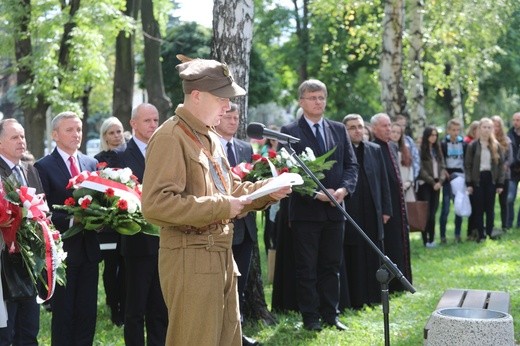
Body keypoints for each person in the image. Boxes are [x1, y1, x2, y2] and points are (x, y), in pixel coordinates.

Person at [141, 57, 290, 345]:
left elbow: (229, 188)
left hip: (220, 255)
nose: (227, 106)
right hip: (189, 257)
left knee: (228, 339)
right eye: (222, 98)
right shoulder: (171, 137)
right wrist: (220, 207)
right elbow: (156, 204)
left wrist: (267, 190)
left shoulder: (208, 136)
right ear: (197, 96)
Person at [280, 79, 358, 331]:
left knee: (331, 265)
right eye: (312, 97)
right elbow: (288, 171)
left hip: (336, 210)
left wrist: (344, 190)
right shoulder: (289, 131)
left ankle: (331, 314)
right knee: (307, 268)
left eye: (321, 97)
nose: (318, 102)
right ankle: (310, 317)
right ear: (301, 102)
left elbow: (351, 165)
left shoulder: (338, 129)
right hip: (306, 212)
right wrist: (315, 194)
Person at [34, 111, 100, 346]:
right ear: (55, 135)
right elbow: (43, 210)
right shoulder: (43, 166)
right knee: (64, 314)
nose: (76, 134)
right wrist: (74, 220)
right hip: (62, 254)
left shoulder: (91, 163)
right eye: (70, 130)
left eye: (79, 129)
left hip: (89, 250)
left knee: (87, 313)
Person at [115, 103, 167, 346]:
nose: (153, 125)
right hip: (136, 242)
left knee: (160, 307)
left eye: (156, 120)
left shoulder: (166, 150)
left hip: (165, 241)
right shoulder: (121, 155)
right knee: (135, 308)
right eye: (147, 121)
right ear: (133, 124)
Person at [215, 102, 259, 346]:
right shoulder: (209, 147)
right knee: (221, 284)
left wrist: (249, 205)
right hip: (221, 225)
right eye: (229, 116)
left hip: (246, 226)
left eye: (237, 117)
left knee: (239, 285)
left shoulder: (245, 147)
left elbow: (251, 182)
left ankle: (237, 332)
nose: (233, 121)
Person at [341, 114, 391, 309]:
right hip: (351, 210)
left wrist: (386, 209)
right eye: (352, 127)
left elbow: (383, 182)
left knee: (373, 253)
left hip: (372, 210)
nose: (357, 130)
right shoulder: (341, 151)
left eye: (360, 127)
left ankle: (375, 296)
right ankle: (355, 299)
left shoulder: (374, 150)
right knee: (353, 253)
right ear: (345, 131)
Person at [0, 119, 43, 344]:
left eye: (23, 136)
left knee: (29, 329)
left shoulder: (30, 169)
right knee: (8, 331)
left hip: (29, 263)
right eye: (15, 137)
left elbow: (43, 209)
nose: (21, 141)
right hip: (4, 264)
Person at [370, 113, 412, 292]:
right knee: (389, 244)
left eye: (389, 125)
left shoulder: (392, 147)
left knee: (400, 241)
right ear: (374, 128)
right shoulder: (372, 148)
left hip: (398, 204)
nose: (388, 129)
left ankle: (403, 280)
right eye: (384, 126)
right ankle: (392, 284)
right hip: (385, 206)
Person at [94, 116, 126, 327]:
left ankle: (125, 304)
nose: (116, 136)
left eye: (118, 131)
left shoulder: (129, 156)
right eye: (111, 133)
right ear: (104, 136)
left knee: (126, 266)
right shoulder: (97, 160)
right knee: (110, 265)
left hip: (128, 220)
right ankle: (113, 307)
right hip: (108, 224)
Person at [465, 117, 504, 242]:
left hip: (490, 178)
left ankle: (490, 232)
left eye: (489, 127)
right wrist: (469, 183)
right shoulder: (473, 146)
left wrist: (500, 183)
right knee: (479, 207)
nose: (486, 130)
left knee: (490, 207)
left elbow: (500, 166)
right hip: (478, 178)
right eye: (484, 127)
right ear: (479, 129)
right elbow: (468, 165)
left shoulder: (496, 145)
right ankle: (480, 234)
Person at [417, 126, 447, 247]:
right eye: (431, 135)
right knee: (426, 213)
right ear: (426, 136)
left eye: (435, 135)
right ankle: (425, 239)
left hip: (437, 183)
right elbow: (420, 169)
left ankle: (432, 239)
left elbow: (443, 167)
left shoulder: (437, 150)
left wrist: (440, 181)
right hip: (426, 184)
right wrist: (432, 182)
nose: (433, 137)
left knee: (433, 212)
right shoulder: (420, 150)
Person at [439, 119, 467, 243]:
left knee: (459, 206)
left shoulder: (463, 143)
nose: (455, 132)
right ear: (448, 130)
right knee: (445, 207)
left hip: (460, 177)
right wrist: (443, 171)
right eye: (453, 130)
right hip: (447, 178)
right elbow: (440, 160)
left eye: (457, 130)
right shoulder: (443, 143)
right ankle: (443, 236)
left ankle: (457, 234)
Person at [491, 115, 513, 235]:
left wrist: (504, 166)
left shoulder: (507, 140)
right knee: (490, 202)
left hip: (505, 175)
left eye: (498, 125)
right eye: (493, 125)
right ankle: (491, 225)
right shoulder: (488, 140)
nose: (496, 128)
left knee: (503, 202)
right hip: (492, 175)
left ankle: (505, 225)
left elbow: (510, 158)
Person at [390, 122, 415, 202]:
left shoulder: (405, 149)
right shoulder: (386, 148)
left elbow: (410, 167)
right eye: (393, 132)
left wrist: (409, 182)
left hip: (406, 185)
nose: (395, 134)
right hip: (393, 186)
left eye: (398, 133)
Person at [395, 115, 420, 180]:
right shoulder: (389, 140)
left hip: (408, 177)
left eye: (404, 125)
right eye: (399, 125)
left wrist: (412, 178)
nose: (402, 127)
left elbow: (415, 159)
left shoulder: (409, 141)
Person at [506, 112, 520, 229]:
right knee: (510, 197)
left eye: (518, 120)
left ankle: (519, 224)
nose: (515, 122)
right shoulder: (509, 134)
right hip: (513, 171)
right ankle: (508, 223)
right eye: (514, 120)